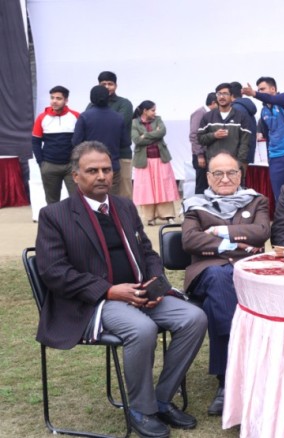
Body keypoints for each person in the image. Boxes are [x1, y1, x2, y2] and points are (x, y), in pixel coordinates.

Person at [35, 141, 207, 437]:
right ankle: (141, 409)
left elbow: (148, 253)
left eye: (106, 169)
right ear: (76, 176)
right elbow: (54, 272)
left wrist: (154, 284)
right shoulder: (55, 215)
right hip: (94, 302)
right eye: (92, 171)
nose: (102, 176)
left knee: (194, 318)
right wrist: (109, 291)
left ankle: (162, 399)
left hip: (140, 293)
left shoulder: (124, 206)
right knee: (141, 329)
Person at [182, 151, 271, 416]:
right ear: (208, 177)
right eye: (218, 173)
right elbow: (190, 240)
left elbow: (262, 232)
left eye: (231, 172)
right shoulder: (195, 204)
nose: (225, 178)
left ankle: (228, 382)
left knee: (216, 301)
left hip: (247, 272)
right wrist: (235, 244)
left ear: (240, 175)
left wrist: (220, 232)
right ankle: (232, 378)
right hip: (207, 270)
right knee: (219, 277)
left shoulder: (256, 200)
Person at [242, 78, 284, 202]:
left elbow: (271, 99)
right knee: (280, 197)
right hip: (275, 158)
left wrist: (254, 94)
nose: (260, 92)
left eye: (262, 89)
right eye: (258, 90)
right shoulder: (264, 111)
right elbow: (268, 135)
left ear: (273, 89)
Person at [72, 85, 129, 195]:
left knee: (90, 198)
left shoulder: (84, 117)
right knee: (111, 199)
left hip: (90, 167)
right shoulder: (118, 117)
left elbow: (76, 142)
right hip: (111, 166)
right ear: (108, 98)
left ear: (91, 98)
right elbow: (125, 143)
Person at [131, 100, 180, 226]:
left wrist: (145, 135)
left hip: (160, 158)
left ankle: (168, 215)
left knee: (164, 185)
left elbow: (162, 132)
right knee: (147, 188)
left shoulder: (158, 119)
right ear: (145, 111)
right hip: (144, 160)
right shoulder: (135, 122)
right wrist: (154, 135)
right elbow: (137, 140)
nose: (154, 112)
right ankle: (149, 217)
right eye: (152, 110)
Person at [32, 85, 80, 204]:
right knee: (52, 203)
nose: (54, 101)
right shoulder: (41, 118)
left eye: (58, 98)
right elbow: (35, 142)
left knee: (78, 200)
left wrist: (78, 162)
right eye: (52, 98)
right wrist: (41, 163)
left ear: (66, 100)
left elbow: (82, 141)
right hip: (49, 165)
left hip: (71, 166)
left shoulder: (76, 116)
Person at [95, 71, 134, 199]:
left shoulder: (124, 103)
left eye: (110, 84)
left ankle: (125, 213)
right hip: (98, 156)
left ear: (116, 86)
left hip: (121, 155)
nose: (107, 87)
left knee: (124, 193)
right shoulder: (91, 105)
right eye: (103, 84)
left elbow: (118, 124)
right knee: (99, 192)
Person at [197, 83, 252, 175]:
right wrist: (214, 135)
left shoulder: (241, 116)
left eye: (225, 94)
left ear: (231, 96)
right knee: (214, 184)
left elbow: (245, 143)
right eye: (219, 94)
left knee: (235, 185)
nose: (222, 97)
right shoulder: (208, 117)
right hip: (214, 165)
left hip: (233, 165)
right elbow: (200, 139)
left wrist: (239, 162)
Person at [189, 92, 217, 194]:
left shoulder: (208, 113)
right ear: (213, 103)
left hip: (207, 154)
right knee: (201, 184)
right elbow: (194, 135)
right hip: (200, 155)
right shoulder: (200, 113)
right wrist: (200, 155)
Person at [230, 82, 258, 164]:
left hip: (237, 154)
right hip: (248, 152)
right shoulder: (247, 108)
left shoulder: (234, 109)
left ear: (231, 95)